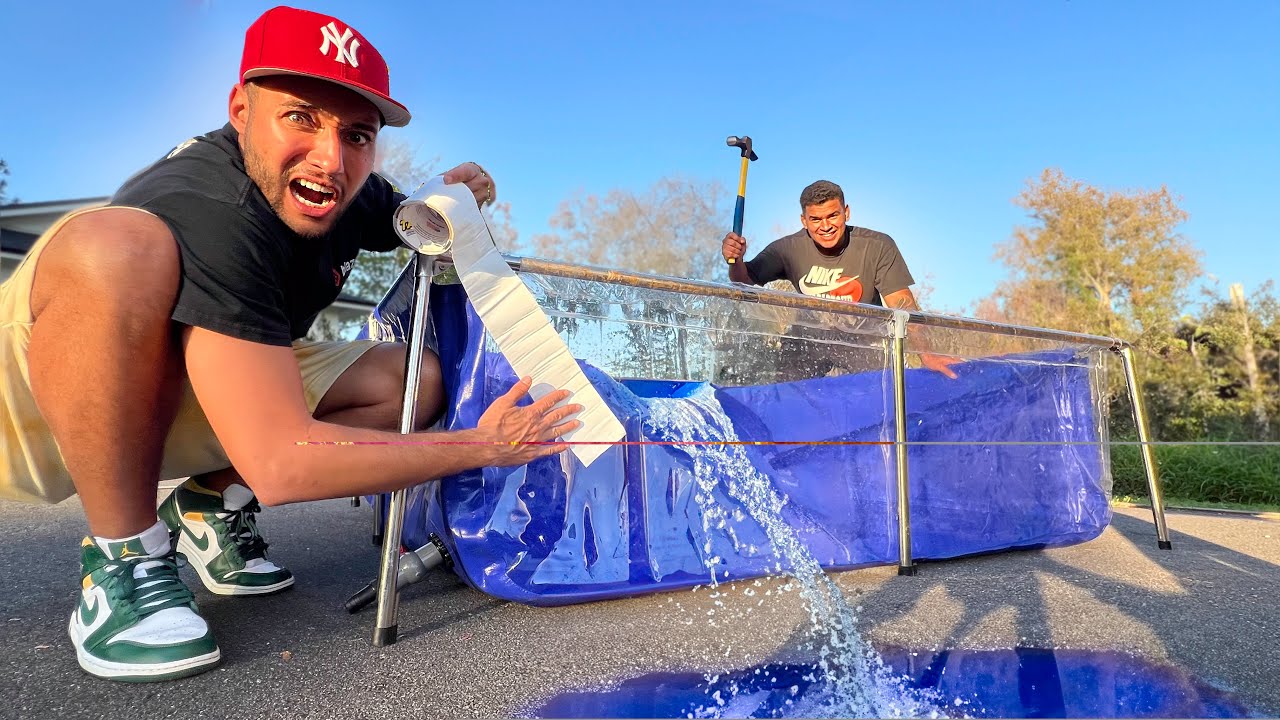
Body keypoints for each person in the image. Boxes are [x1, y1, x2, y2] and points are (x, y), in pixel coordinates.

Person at [0, 6, 580, 682]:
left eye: (357, 134)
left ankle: (207, 504)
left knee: (411, 379)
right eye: (301, 117)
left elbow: (404, 217)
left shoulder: (339, 187)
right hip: (35, 408)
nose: (331, 160)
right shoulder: (215, 206)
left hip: (175, 387)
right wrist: (482, 447)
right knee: (117, 247)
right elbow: (281, 460)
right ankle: (124, 556)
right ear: (241, 109)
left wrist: (454, 192)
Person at [720, 179, 959, 379]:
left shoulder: (878, 246)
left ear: (846, 212)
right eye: (815, 219)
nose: (825, 226)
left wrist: (927, 352)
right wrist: (735, 260)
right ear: (804, 221)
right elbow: (744, 281)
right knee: (786, 394)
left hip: (863, 341)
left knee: (880, 400)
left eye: (833, 215)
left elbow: (903, 305)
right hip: (808, 342)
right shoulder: (787, 248)